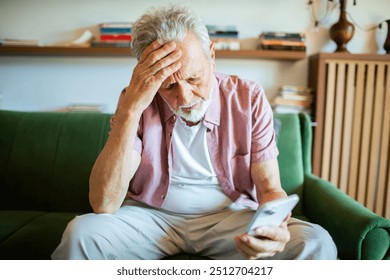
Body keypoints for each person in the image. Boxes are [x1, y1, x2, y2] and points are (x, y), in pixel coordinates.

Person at [52, 5, 337, 260]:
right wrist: (130, 110)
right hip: (150, 217)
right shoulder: (136, 100)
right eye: (168, 86)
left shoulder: (248, 97)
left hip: (230, 218)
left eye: (193, 78)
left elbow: (269, 187)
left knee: (316, 243)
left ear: (212, 55)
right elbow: (104, 203)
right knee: (81, 235)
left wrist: (275, 229)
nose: (185, 97)